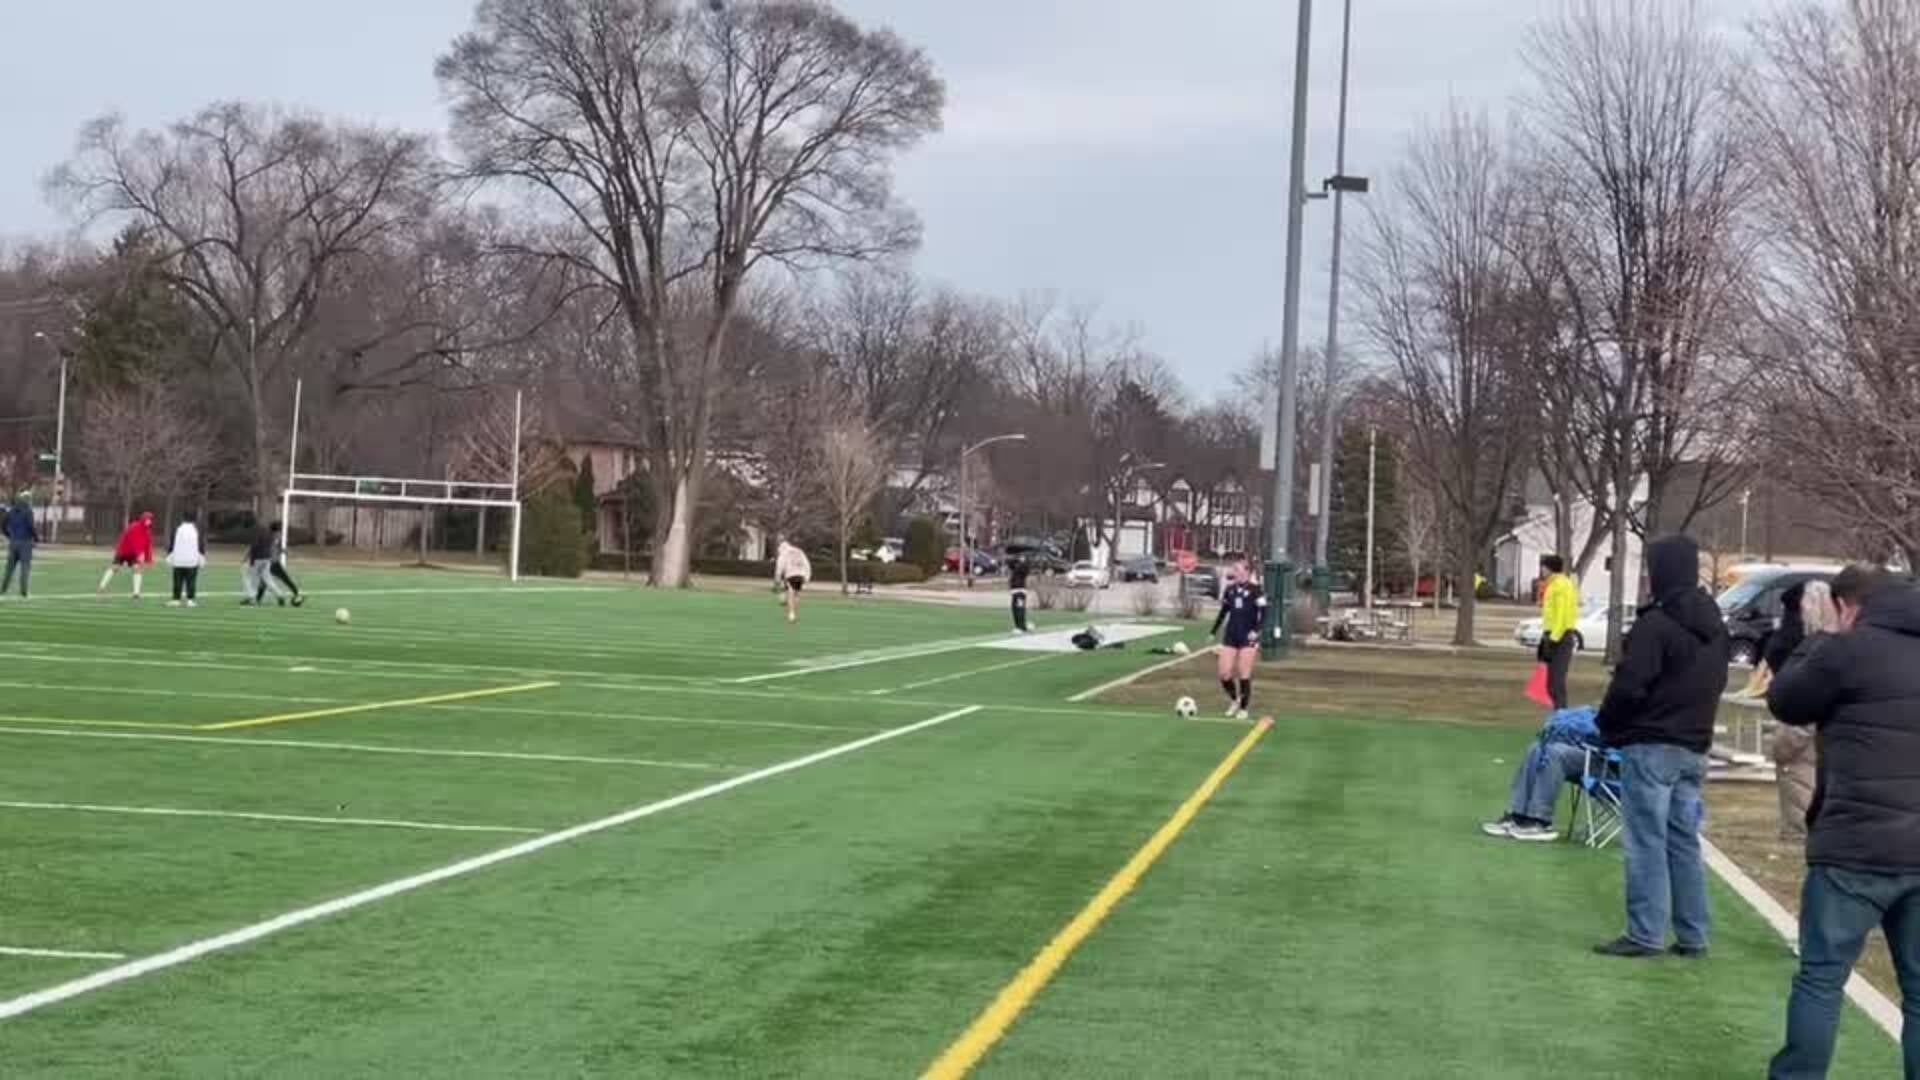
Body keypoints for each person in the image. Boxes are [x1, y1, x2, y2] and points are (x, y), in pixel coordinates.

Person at [1767, 567, 1920, 1079]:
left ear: (1847, 607)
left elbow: (1786, 698)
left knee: (1821, 979)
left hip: (1854, 846)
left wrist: (1822, 640)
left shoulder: (1846, 651)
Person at [1592, 534, 1729, 959]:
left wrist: (1608, 725)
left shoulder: (1655, 625)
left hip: (1652, 744)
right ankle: (1693, 934)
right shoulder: (1715, 628)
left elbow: (1630, 685)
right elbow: (1718, 683)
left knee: (1646, 840)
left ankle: (1645, 932)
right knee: (1683, 840)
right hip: (1693, 745)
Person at [1766, 581, 1837, 841]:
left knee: (1798, 778)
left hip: (1799, 719)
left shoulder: (1797, 644)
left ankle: (1798, 831)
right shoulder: (1838, 643)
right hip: (1824, 724)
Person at [1482, 706, 1602, 842]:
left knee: (1556, 753)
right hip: (1594, 752)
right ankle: (1518, 815)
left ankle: (1539, 820)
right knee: (1538, 749)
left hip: (1613, 767)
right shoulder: (1620, 693)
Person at [1210, 558, 1266, 720]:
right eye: (1236, 571)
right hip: (1231, 634)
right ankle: (1235, 699)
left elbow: (1264, 614)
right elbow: (1224, 612)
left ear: (1248, 572)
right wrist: (1213, 632)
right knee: (1224, 672)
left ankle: (1243, 708)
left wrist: (1257, 631)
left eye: (1241, 571)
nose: (1238, 574)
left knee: (1244, 672)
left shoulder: (1257, 590)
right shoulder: (1230, 590)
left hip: (1248, 636)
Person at [1538, 554, 1580, 709]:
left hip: (1560, 637)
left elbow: (1561, 614)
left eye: (1543, 567)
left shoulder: (1561, 585)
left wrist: (1553, 638)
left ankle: (1562, 718)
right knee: (1550, 683)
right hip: (1552, 635)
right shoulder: (1553, 584)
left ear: (1550, 568)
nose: (1542, 570)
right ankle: (1558, 715)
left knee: (1556, 682)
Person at [99, 511, 156, 599]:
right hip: (123, 551)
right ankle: (102, 587)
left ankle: (136, 593)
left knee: (137, 569)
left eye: (150, 519)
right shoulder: (134, 527)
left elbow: (148, 546)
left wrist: (149, 560)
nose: (149, 521)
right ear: (143, 519)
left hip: (134, 554)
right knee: (115, 568)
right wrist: (139, 556)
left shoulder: (147, 532)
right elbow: (133, 543)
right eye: (147, 519)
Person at [249, 522, 304, 607]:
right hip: (270, 562)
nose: (280, 533)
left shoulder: (274, 537)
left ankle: (258, 599)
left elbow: (278, 548)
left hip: (272, 562)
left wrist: (286, 552)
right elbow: (265, 548)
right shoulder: (271, 537)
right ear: (275, 531)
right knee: (270, 581)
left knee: (268, 581)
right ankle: (293, 595)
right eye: (279, 531)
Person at [241, 524, 291, 606]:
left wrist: (247, 558)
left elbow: (253, 547)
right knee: (268, 579)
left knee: (247, 576)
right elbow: (272, 547)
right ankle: (280, 596)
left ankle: (251, 597)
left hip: (258, 559)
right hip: (267, 559)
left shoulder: (260, 535)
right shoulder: (271, 537)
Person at [1, 493, 37, 599]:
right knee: (25, 568)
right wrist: (36, 538)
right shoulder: (28, 511)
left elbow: (3, 524)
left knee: (9, 568)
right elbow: (31, 526)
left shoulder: (11, 511)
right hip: (25, 542)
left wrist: (8, 535)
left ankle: (3, 589)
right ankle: (24, 591)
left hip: (13, 542)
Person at [166, 514, 204, 608]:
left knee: (177, 581)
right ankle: (190, 600)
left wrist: (170, 554)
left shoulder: (177, 530)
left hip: (178, 560)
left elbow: (172, 543)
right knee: (191, 581)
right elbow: (200, 544)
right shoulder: (196, 531)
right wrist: (202, 556)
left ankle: (176, 599)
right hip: (192, 561)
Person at [774, 537, 811, 625]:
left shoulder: (783, 553)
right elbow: (806, 564)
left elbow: (780, 566)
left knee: (790, 594)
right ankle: (793, 613)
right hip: (800, 575)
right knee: (796, 594)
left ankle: (791, 614)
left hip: (791, 574)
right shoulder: (799, 551)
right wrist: (807, 577)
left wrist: (777, 579)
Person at [1008, 557, 1031, 634]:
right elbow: (1010, 563)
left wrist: (1022, 561)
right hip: (1015, 591)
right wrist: (1017, 559)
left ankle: (1021, 627)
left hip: (1020, 592)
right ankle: (1019, 626)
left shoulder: (1023, 569)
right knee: (1015, 609)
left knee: (1019, 609)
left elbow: (1025, 567)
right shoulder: (1016, 568)